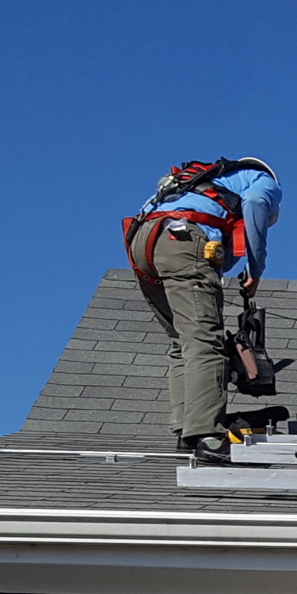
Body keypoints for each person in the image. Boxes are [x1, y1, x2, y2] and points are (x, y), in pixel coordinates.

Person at [122, 157, 284, 465]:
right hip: (182, 237)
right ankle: (207, 436)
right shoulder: (265, 182)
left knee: (182, 341)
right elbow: (255, 206)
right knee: (205, 342)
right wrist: (257, 268)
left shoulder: (203, 182)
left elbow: (219, 244)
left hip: (144, 239)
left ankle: (187, 430)